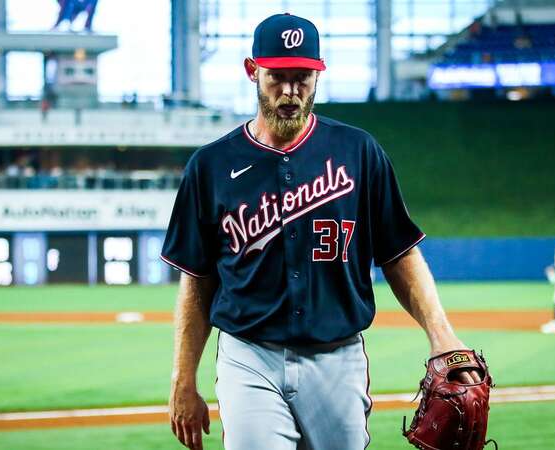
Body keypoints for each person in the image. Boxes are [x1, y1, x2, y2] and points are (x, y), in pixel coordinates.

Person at [161, 13, 480, 450]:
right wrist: (184, 379)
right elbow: (197, 280)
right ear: (252, 70)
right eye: (277, 77)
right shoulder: (210, 166)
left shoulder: (359, 152)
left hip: (337, 356)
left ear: (318, 73)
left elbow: (399, 251)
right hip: (248, 354)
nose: (290, 92)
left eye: (303, 78)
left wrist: (442, 334)